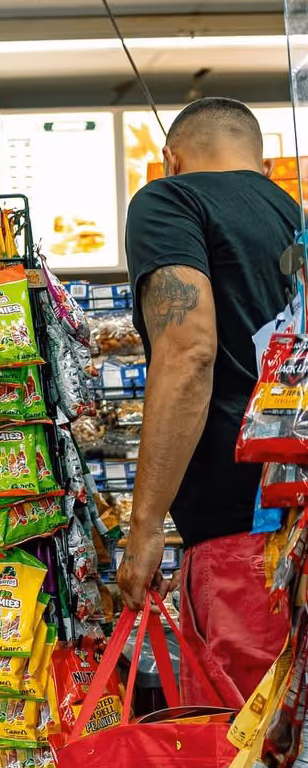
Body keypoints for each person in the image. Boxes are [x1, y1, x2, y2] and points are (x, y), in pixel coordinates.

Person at [117, 97, 296, 707]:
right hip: (291, 525)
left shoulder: (169, 202)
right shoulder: (293, 216)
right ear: (264, 164)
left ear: (170, 159)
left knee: (251, 758)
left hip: (241, 541)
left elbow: (189, 354)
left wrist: (145, 529)